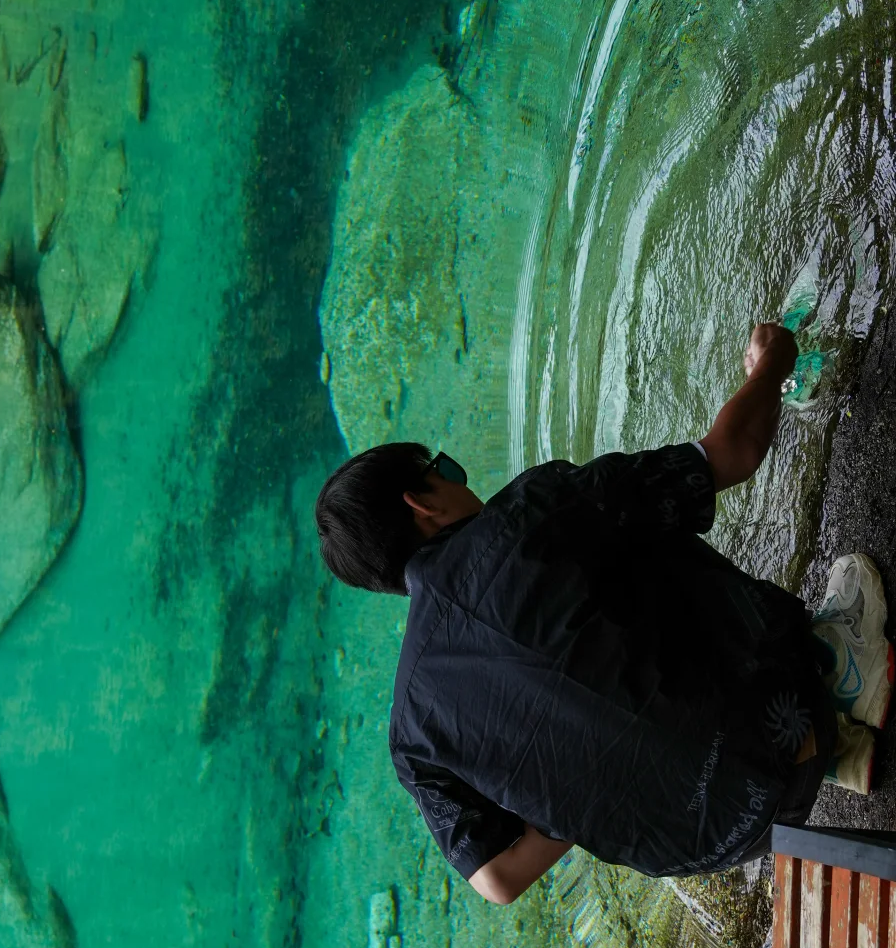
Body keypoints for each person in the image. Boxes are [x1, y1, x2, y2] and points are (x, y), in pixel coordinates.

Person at [314, 323, 894, 903]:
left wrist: (578, 776)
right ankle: (836, 668)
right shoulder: (534, 510)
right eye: (444, 469)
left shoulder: (411, 732)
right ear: (423, 504)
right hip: (785, 719)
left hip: (730, 840)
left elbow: (497, 880)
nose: (457, 477)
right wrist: (772, 365)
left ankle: (836, 750)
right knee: (638, 530)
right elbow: (731, 455)